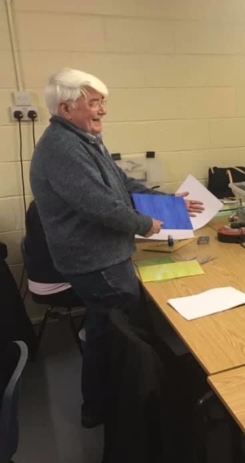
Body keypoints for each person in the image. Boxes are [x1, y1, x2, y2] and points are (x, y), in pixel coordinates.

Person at [30, 68, 204, 428]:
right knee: (122, 334)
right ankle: (123, 404)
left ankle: (101, 404)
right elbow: (102, 206)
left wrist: (168, 204)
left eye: (102, 102)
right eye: (94, 103)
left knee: (104, 330)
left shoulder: (84, 139)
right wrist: (145, 224)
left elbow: (122, 184)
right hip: (96, 261)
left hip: (103, 256)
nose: (103, 110)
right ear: (66, 109)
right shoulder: (63, 148)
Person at [24, 201, 83, 308]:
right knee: (106, 288)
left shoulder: (36, 204)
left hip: (39, 283)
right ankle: (96, 318)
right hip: (58, 287)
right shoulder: (67, 208)